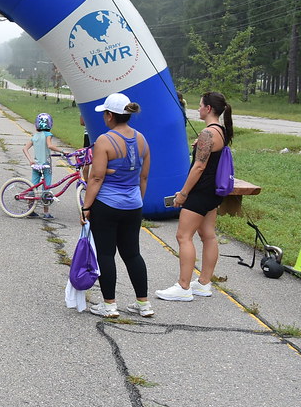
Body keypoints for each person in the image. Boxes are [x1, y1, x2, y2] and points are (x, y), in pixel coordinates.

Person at [80, 92, 153, 318]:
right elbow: (143, 177)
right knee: (132, 254)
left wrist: (86, 206)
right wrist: (137, 201)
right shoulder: (141, 139)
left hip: (107, 205)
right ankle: (143, 304)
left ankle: (109, 305)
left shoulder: (104, 140)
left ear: (110, 116)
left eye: (105, 114)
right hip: (133, 205)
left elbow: (96, 178)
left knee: (106, 253)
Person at [157, 92, 234, 302]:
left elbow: (199, 167)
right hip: (213, 193)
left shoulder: (208, 133)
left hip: (201, 192)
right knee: (208, 235)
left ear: (208, 109)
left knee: (183, 236)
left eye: (200, 105)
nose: (198, 108)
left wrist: (183, 194)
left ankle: (183, 286)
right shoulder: (220, 131)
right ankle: (203, 284)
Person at [23, 113, 62, 219]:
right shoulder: (48, 135)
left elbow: (25, 149)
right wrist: (62, 151)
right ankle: (46, 212)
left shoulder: (34, 136)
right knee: (46, 188)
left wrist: (31, 160)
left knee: (34, 186)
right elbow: (49, 145)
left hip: (36, 165)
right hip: (46, 165)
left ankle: (30, 210)